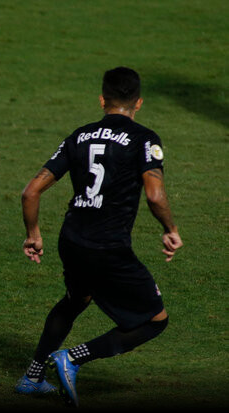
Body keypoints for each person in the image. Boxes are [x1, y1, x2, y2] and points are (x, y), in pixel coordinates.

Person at [15, 67, 183, 406]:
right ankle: (73, 358)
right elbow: (154, 195)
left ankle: (32, 376)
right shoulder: (144, 139)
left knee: (77, 299)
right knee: (155, 319)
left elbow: (31, 191)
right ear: (139, 103)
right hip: (108, 248)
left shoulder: (79, 136)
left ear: (102, 100)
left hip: (72, 240)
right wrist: (170, 229)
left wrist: (33, 233)